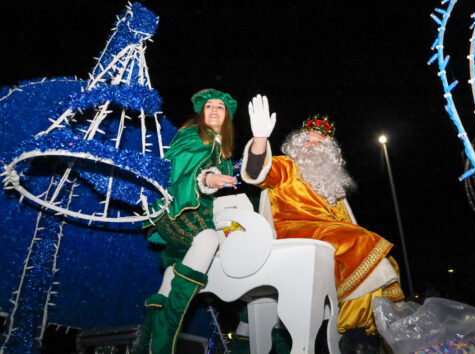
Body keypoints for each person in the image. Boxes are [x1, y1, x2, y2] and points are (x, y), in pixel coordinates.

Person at [240, 95, 405, 353]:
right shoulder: (286, 167)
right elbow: (256, 173)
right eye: (307, 140)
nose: (312, 145)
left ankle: (361, 334)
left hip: (332, 239)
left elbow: (347, 224)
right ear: (296, 145)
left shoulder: (332, 185)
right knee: (361, 242)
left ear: (330, 152)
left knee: (376, 256)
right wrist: (260, 139)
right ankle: (354, 331)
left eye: (319, 142)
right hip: (293, 233)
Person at [135, 88, 238, 354]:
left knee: (173, 272)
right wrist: (207, 179)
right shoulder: (192, 136)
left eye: (220, 107)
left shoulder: (221, 147)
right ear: (201, 113)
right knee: (209, 238)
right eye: (209, 107)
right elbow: (177, 172)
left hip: (202, 214)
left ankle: (149, 344)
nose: (214, 110)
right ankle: (165, 340)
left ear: (226, 117)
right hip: (182, 210)